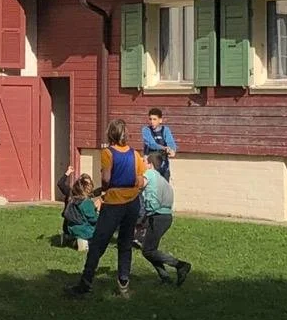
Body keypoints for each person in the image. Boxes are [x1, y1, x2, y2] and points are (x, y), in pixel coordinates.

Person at [68, 119, 147, 298]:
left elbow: (106, 179)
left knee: (98, 243)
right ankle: (124, 285)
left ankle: (85, 283)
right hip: (133, 202)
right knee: (125, 243)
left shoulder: (107, 153)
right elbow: (141, 178)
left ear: (111, 134)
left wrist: (105, 190)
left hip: (114, 203)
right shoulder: (135, 154)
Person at [141, 151, 191, 285]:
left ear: (150, 165)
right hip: (165, 217)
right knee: (150, 250)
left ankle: (180, 265)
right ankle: (165, 278)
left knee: (148, 250)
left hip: (158, 217)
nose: (142, 164)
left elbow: (139, 186)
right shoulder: (162, 180)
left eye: (144, 162)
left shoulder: (149, 174)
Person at [59, 166, 99, 251]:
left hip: (70, 225)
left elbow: (96, 192)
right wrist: (96, 209)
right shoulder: (84, 200)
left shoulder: (72, 196)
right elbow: (93, 218)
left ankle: (69, 238)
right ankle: (81, 241)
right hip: (80, 226)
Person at [141, 108, 178, 180]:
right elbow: (151, 144)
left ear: (160, 120)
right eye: (150, 119)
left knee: (165, 189)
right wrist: (164, 148)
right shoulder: (146, 130)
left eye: (154, 119)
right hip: (150, 166)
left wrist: (172, 150)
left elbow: (170, 142)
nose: (152, 122)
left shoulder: (166, 130)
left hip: (163, 165)